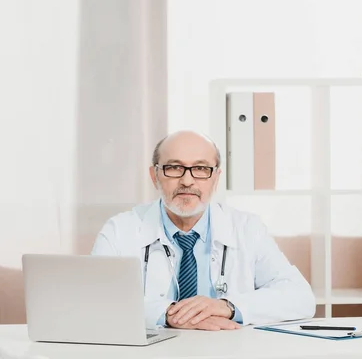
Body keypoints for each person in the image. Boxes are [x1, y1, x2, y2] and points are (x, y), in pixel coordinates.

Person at [91, 130, 316, 331]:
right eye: (174, 168)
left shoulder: (247, 228)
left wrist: (227, 307)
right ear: (154, 176)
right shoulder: (119, 230)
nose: (187, 180)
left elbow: (300, 298)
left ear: (215, 178)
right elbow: (95, 301)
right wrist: (168, 314)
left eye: (200, 168)